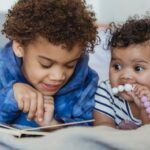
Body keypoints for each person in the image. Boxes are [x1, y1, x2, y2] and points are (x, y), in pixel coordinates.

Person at [0, 0, 99, 128]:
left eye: (70, 65)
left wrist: (54, 126)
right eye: (46, 65)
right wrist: (10, 97)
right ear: (19, 47)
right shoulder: (2, 69)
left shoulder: (86, 80)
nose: (58, 76)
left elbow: (87, 130)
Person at [94, 15, 150, 129]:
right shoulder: (106, 91)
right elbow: (102, 131)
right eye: (117, 66)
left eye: (138, 68)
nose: (125, 76)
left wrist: (145, 109)